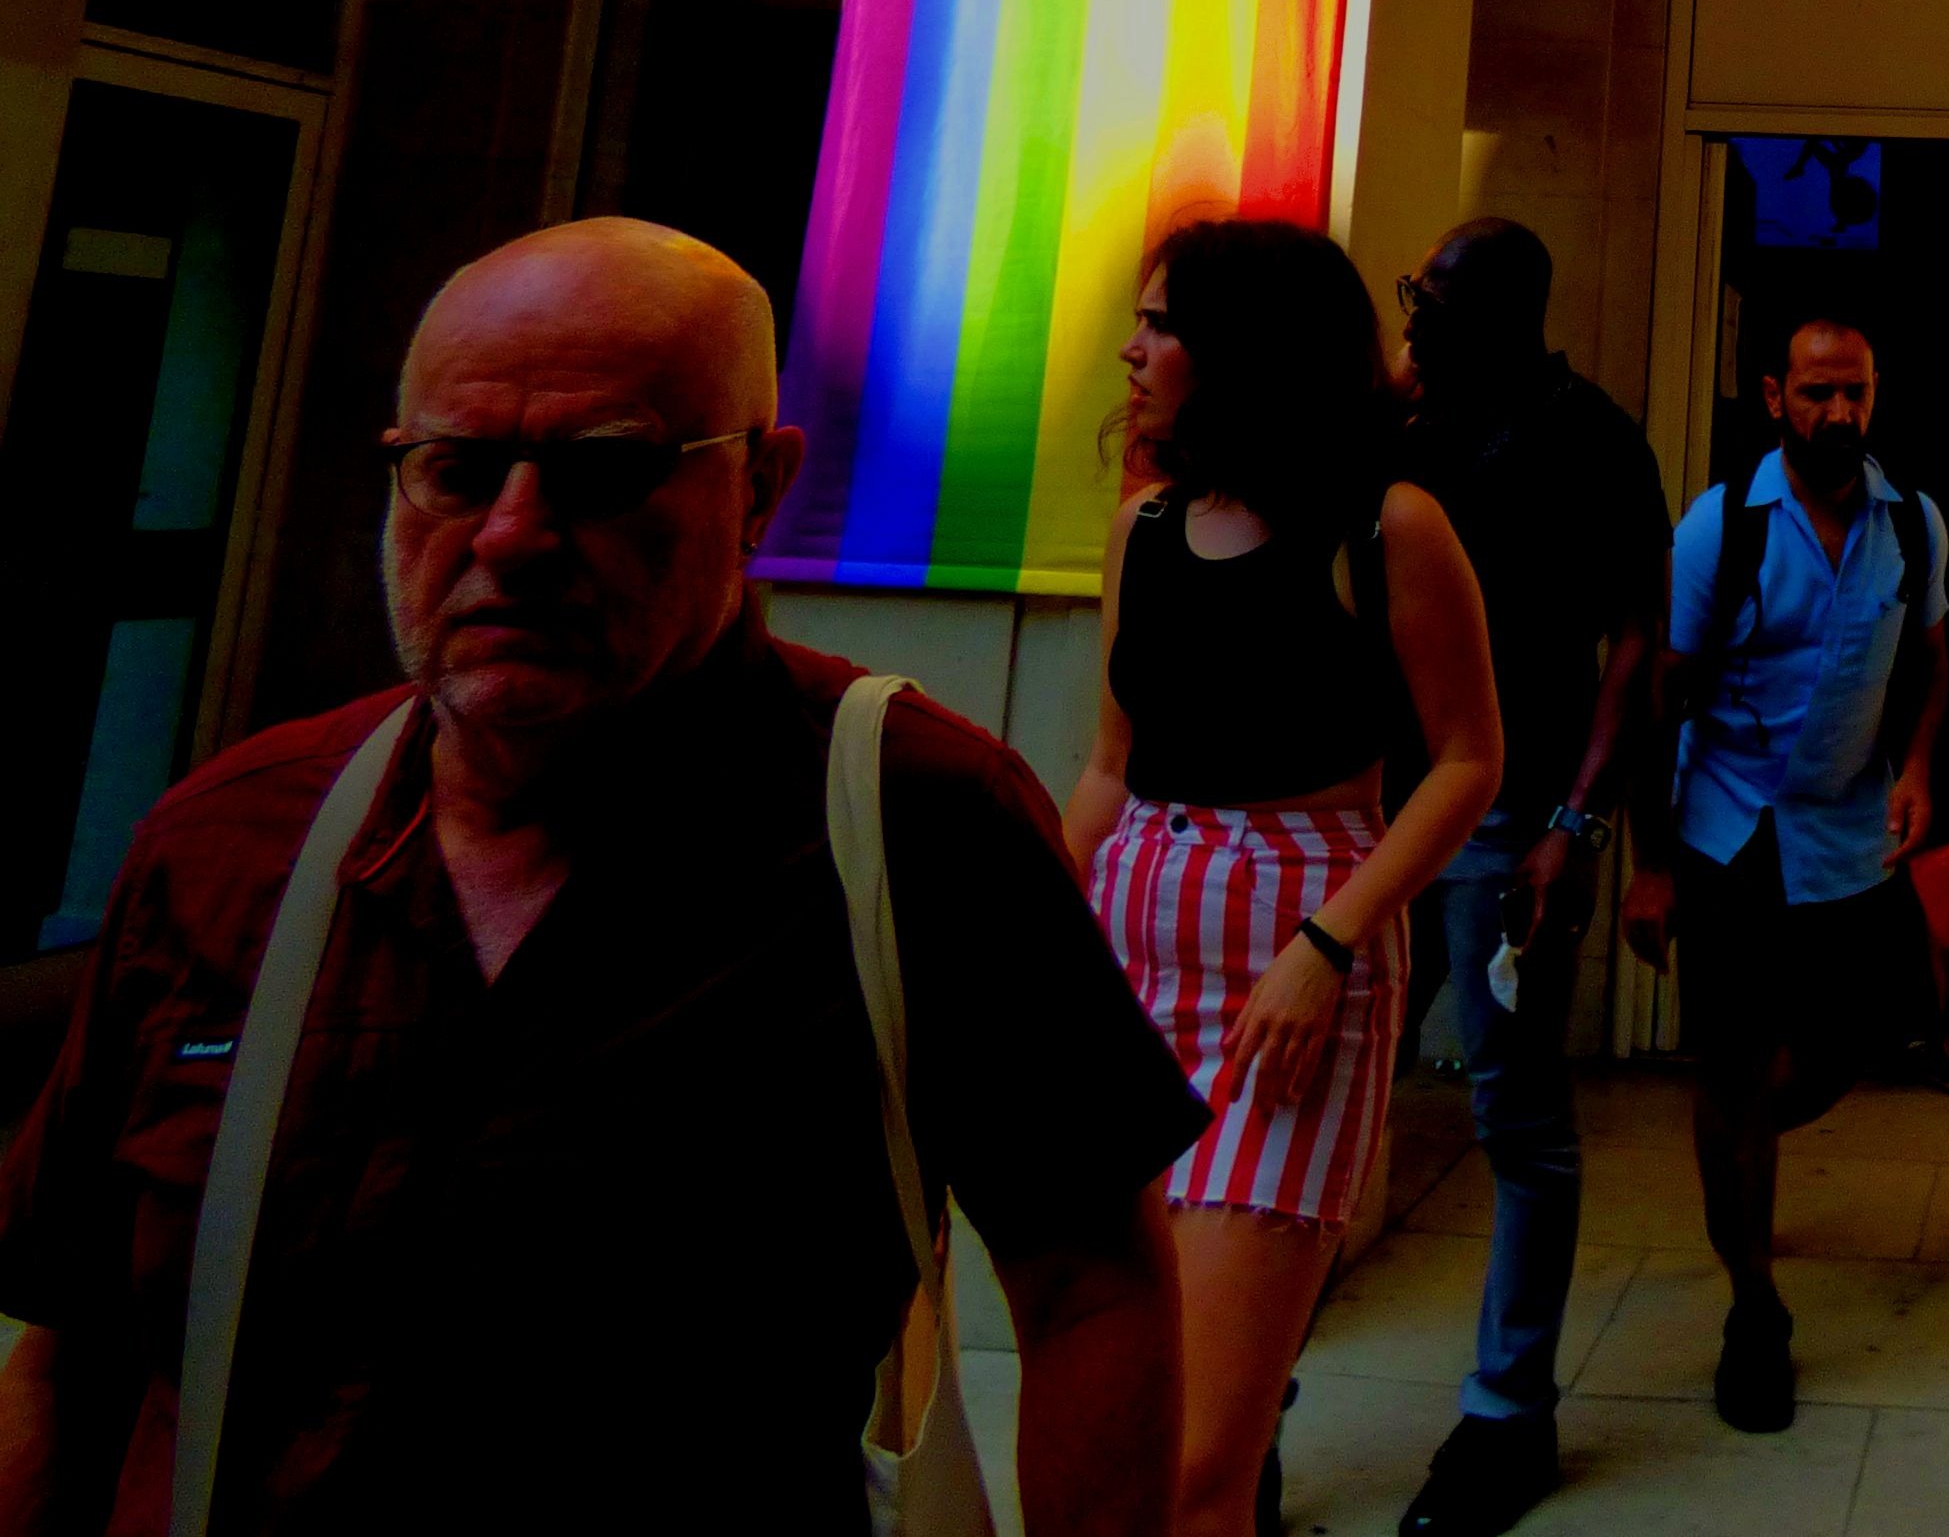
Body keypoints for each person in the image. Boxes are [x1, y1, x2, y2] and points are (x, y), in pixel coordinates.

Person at [0, 218, 1202, 1537]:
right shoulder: (228, 844)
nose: (512, 536)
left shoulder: (916, 825)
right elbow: (73, 1338)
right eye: (456, 472)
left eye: (603, 471)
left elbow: (1090, 1286)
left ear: (758, 487)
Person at [1062, 219, 1505, 1537]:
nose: (1132, 351)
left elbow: (1469, 760)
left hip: (1292, 969)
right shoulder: (1143, 528)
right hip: (1129, 959)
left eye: (1160, 325)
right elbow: (1109, 765)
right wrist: (1034, 937)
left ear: (1241, 349)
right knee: (1119, 1423)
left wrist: (1331, 942)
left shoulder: (1386, 526)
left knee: (1203, 1452)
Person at [1384, 218, 1672, 1537]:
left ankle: (1509, 1413)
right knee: (1328, 1097)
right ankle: (1252, 1394)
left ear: (1500, 313)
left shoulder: (1594, 438)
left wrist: (1575, 822)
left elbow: (1637, 644)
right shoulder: (1406, 425)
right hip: (1385, 816)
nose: (1415, 316)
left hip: (1513, 821)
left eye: (1433, 299)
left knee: (1518, 1118)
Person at [1617, 315, 1949, 1435]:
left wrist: (1919, 769)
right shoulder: (1721, 528)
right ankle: (1753, 1308)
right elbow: (1657, 698)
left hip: (1850, 827)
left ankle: (1738, 1130)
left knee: (1864, 1033)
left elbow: (1933, 662)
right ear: (1774, 397)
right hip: (1733, 826)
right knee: (1736, 1059)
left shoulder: (1914, 522)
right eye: (1816, 394)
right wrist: (1650, 865)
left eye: (1855, 392)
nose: (1839, 413)